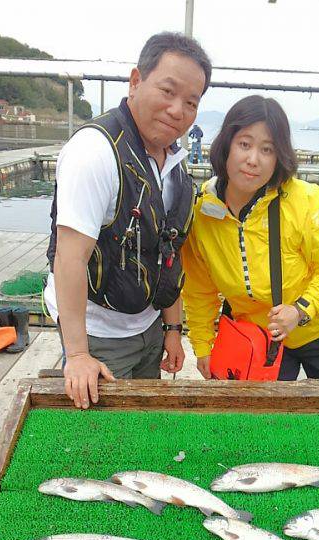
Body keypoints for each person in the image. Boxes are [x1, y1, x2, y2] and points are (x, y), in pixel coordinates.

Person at [44, 32, 212, 409]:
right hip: (96, 332)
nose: (177, 111)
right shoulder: (95, 152)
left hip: (149, 326)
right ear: (136, 81)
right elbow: (69, 258)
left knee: (140, 420)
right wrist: (77, 356)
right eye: (168, 91)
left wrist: (172, 328)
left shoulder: (174, 164)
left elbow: (170, 251)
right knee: (105, 440)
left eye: (191, 102)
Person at [182, 95, 319, 382]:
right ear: (226, 145)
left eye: (267, 149)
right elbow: (199, 288)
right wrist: (203, 345)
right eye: (244, 144)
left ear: (279, 156)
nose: (253, 159)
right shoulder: (204, 210)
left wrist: (301, 309)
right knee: (261, 422)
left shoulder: (302, 199)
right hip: (259, 337)